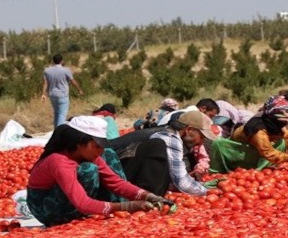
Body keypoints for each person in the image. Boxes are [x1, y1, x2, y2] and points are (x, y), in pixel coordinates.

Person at [26, 116, 168, 226]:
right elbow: (82, 202)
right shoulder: (59, 161)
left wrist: (148, 196)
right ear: (79, 142)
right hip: (45, 208)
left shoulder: (89, 155)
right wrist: (126, 207)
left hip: (72, 201)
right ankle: (66, 218)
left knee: (107, 156)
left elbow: (116, 183)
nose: (100, 151)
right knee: (89, 170)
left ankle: (84, 212)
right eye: (96, 146)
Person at [117, 110, 216, 197]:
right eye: (201, 137)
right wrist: (209, 192)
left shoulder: (166, 131)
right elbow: (182, 183)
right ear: (188, 130)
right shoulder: (170, 138)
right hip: (116, 173)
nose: (201, 142)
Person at [211, 96, 288, 172]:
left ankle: (261, 168)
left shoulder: (277, 125)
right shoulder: (258, 129)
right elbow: (267, 152)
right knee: (275, 146)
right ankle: (245, 168)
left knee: (282, 142)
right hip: (238, 152)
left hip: (253, 149)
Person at [42, 54, 83, 128]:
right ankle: (59, 133)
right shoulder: (66, 70)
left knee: (56, 113)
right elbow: (72, 81)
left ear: (53, 61)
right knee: (62, 115)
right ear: (62, 61)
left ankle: (56, 130)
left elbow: (45, 83)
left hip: (52, 95)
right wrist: (79, 90)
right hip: (62, 95)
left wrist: (43, 94)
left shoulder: (47, 70)